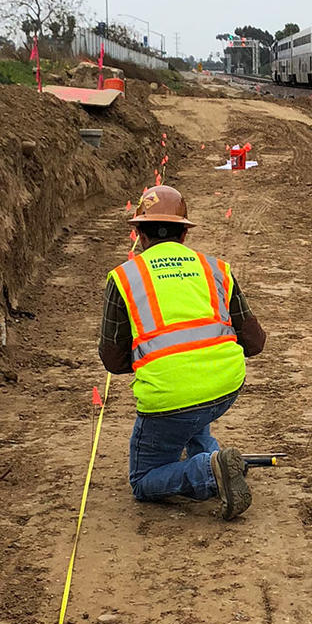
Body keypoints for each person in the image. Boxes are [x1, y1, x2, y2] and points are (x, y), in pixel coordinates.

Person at [98, 183, 267, 519]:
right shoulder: (215, 269)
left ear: (140, 236)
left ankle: (207, 471)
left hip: (170, 398)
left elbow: (114, 361)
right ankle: (215, 460)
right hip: (225, 388)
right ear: (184, 235)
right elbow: (256, 342)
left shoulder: (124, 278)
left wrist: (158, 356)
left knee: (144, 480)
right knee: (193, 410)